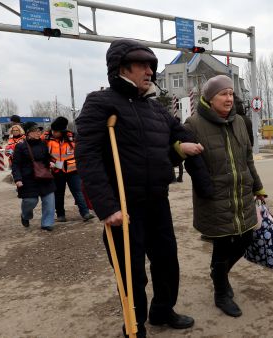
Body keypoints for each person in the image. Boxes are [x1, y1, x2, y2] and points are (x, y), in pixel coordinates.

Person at [75, 39, 207, 337]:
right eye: (142, 65)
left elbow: (177, 135)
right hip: (124, 205)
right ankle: (134, 323)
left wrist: (182, 145)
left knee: (166, 261)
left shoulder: (156, 110)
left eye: (152, 65)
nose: (150, 71)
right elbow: (88, 156)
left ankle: (162, 311)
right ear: (122, 68)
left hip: (158, 201)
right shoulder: (100, 102)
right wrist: (106, 207)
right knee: (131, 271)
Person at [183, 75, 266, 318]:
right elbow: (183, 160)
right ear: (210, 98)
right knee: (222, 246)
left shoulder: (240, 121)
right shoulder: (193, 124)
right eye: (223, 94)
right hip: (215, 199)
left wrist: (258, 187)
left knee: (245, 239)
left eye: (231, 93)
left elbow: (248, 158)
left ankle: (218, 273)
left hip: (242, 195)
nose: (229, 98)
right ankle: (220, 291)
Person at [44, 116, 94, 222]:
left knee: (78, 191)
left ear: (62, 131)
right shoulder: (46, 137)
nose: (54, 133)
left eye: (56, 131)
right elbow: (41, 151)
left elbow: (81, 151)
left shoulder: (73, 137)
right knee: (59, 193)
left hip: (73, 170)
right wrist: (48, 162)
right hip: (57, 170)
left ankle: (85, 213)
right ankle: (61, 215)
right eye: (53, 130)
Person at [11, 122, 55, 230]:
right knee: (30, 201)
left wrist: (50, 162)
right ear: (28, 133)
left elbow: (47, 158)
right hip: (28, 179)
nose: (38, 132)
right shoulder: (20, 146)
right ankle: (25, 215)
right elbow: (16, 165)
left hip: (44, 177)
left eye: (39, 130)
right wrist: (17, 179)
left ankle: (47, 223)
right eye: (35, 130)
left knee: (49, 201)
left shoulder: (43, 144)